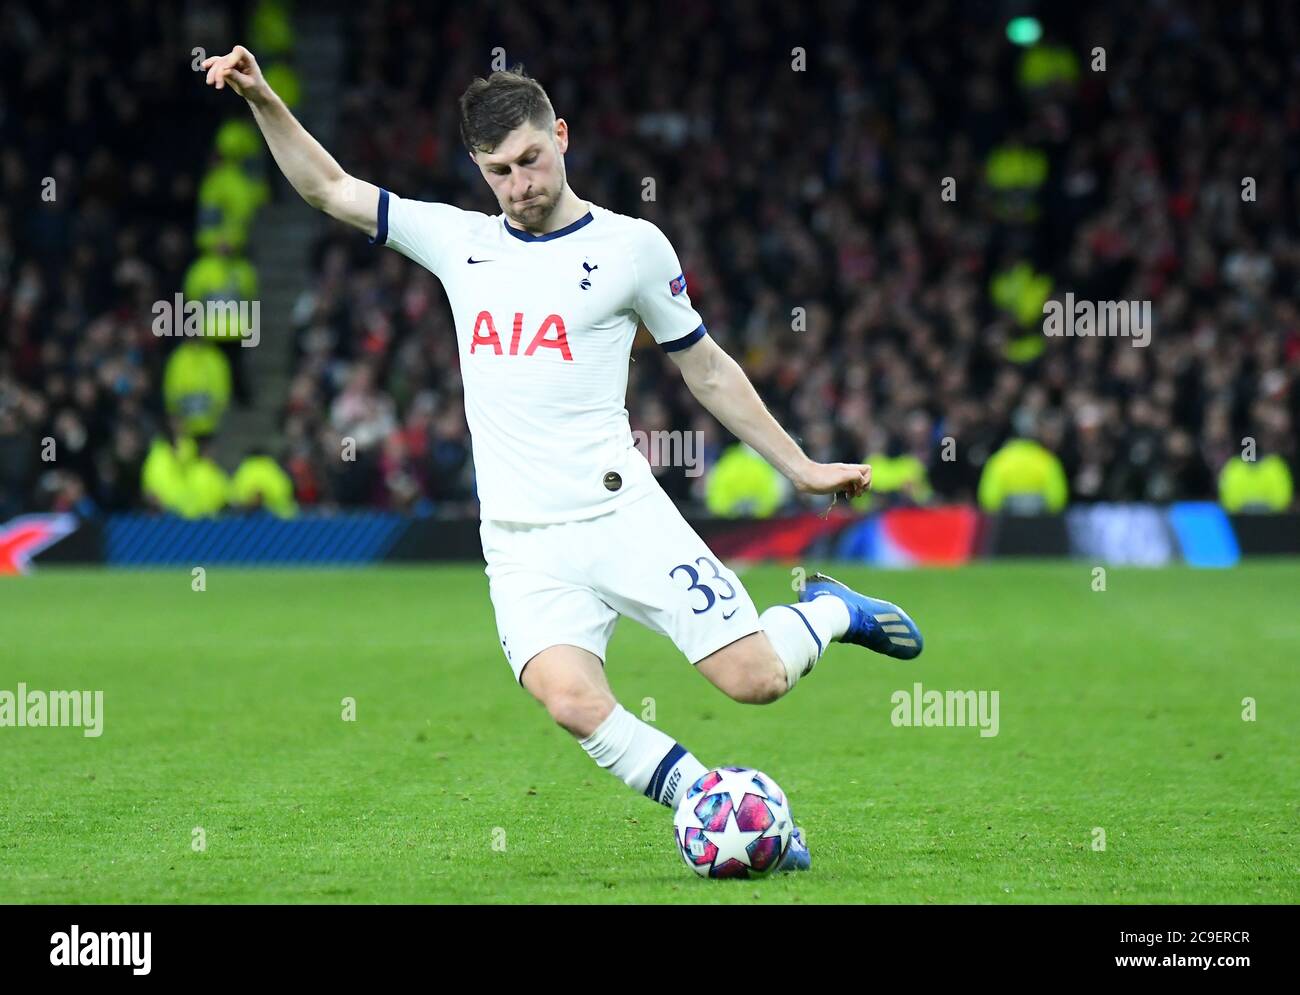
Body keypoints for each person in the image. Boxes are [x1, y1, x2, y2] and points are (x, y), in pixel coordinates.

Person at [202, 45, 926, 872]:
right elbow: (328, 188)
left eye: (531, 159)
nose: (519, 184)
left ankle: (832, 607)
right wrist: (263, 98)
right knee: (572, 701)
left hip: (623, 514)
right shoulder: (458, 242)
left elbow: (708, 368)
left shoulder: (632, 249)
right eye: (499, 170)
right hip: (520, 540)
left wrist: (800, 468)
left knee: (756, 680)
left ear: (564, 138)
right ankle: (707, 801)